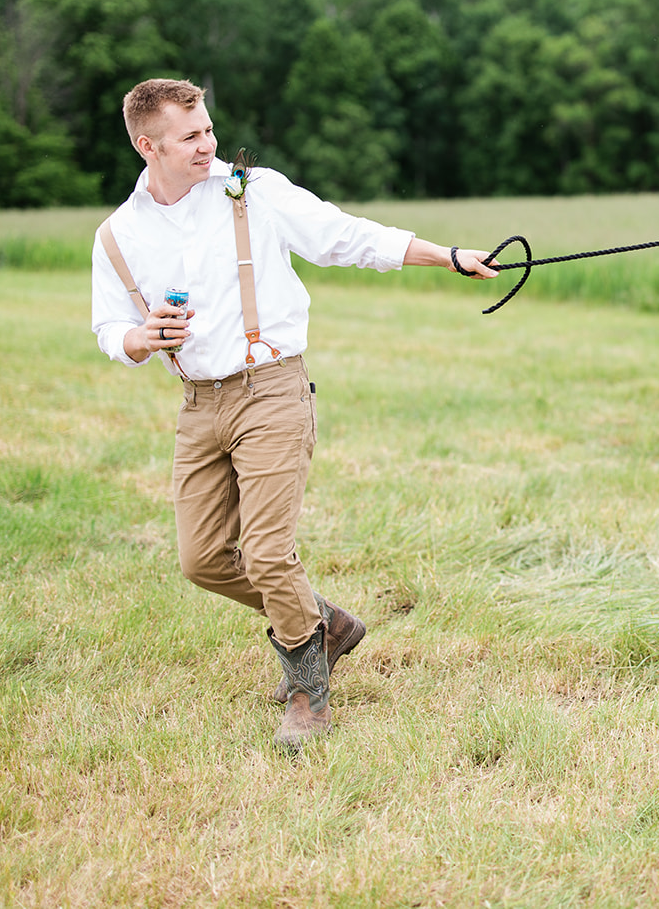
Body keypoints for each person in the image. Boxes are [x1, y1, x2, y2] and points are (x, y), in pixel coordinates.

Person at [91, 78, 499, 750]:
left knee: (269, 552)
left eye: (208, 129)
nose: (208, 144)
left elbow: (348, 237)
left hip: (272, 389)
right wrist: (141, 337)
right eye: (191, 136)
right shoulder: (118, 233)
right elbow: (110, 326)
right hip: (198, 402)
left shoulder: (255, 193)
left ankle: (308, 690)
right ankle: (325, 623)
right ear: (147, 145)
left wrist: (446, 256)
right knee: (202, 560)